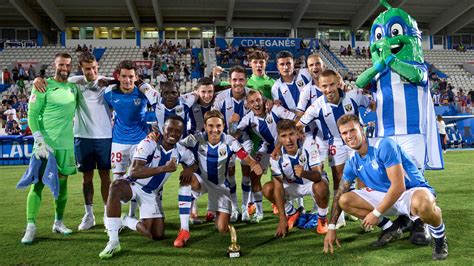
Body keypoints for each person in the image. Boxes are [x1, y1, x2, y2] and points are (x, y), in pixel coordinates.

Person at [323, 114, 448, 261]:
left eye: (352, 130)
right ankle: (391, 228)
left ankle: (440, 238)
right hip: (384, 194)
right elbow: (339, 194)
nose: (349, 136)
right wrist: (331, 227)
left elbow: (399, 186)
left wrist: (375, 213)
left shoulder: (383, 145)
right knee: (344, 199)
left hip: (409, 191)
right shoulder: (352, 161)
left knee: (425, 203)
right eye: (344, 133)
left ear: (362, 130)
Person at [33, 52, 113, 231]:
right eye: (87, 69)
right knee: (87, 178)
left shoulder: (107, 83)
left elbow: (125, 82)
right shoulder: (74, 82)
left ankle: (108, 213)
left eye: (93, 68)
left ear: (97, 66)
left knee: (105, 176)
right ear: (80, 69)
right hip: (82, 137)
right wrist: (37, 79)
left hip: (105, 137)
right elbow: (54, 81)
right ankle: (89, 214)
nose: (91, 72)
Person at [99, 115, 197, 259]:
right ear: (163, 129)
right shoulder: (148, 143)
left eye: (177, 131)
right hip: (133, 185)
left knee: (155, 234)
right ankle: (113, 242)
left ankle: (124, 219)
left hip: (151, 194)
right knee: (115, 186)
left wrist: (189, 169)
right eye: (170, 129)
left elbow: (194, 163)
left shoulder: (181, 150)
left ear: (181, 134)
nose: (173, 133)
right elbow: (134, 171)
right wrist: (164, 168)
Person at [175, 110, 263, 247]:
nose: (214, 130)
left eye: (218, 126)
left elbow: (243, 154)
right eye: (210, 126)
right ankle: (184, 229)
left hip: (221, 186)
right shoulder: (197, 138)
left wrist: (253, 164)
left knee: (222, 228)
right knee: (186, 180)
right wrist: (189, 165)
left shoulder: (229, 141)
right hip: (202, 181)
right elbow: (178, 145)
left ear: (223, 126)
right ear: (205, 126)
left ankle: (215, 210)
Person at [298, 69, 371, 227]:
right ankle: (341, 216)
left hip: (357, 140)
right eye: (324, 86)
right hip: (336, 142)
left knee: (363, 176)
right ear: (319, 86)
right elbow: (299, 125)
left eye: (331, 85)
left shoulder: (353, 95)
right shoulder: (317, 106)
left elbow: (372, 104)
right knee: (339, 178)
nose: (328, 89)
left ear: (338, 83)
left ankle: (366, 216)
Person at [21, 53, 78, 244]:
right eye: (61, 64)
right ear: (55, 65)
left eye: (67, 65)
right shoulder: (43, 85)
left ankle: (58, 222)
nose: (64, 68)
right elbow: (32, 114)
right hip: (46, 145)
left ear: (71, 67)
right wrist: (38, 139)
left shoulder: (73, 88)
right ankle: (30, 226)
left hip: (67, 146)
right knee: (37, 184)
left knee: (62, 187)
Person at [234, 90, 297, 223]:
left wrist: (280, 146)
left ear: (263, 99)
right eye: (252, 102)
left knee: (289, 178)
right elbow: (235, 134)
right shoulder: (249, 118)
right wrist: (233, 125)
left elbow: (296, 120)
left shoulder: (275, 109)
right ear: (248, 104)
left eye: (258, 100)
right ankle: (259, 212)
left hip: (284, 148)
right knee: (254, 176)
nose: (256, 104)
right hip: (267, 147)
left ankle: (294, 209)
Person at [263, 119, 329, 237]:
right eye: (283, 136)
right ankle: (291, 213)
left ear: (297, 134)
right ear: (279, 138)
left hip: (311, 182)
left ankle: (322, 219)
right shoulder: (275, 157)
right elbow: (278, 187)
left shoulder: (309, 144)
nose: (288, 140)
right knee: (268, 188)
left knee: (321, 186)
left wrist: (304, 173)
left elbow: (318, 176)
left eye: (291, 134)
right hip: (293, 186)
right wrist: (282, 218)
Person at [212, 65, 253, 222]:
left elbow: (261, 106)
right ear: (229, 81)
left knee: (246, 173)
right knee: (230, 176)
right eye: (234, 80)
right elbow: (215, 120)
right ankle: (235, 208)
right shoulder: (221, 97)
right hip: (227, 142)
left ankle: (246, 208)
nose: (238, 83)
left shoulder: (251, 95)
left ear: (245, 80)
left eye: (241, 79)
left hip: (244, 140)